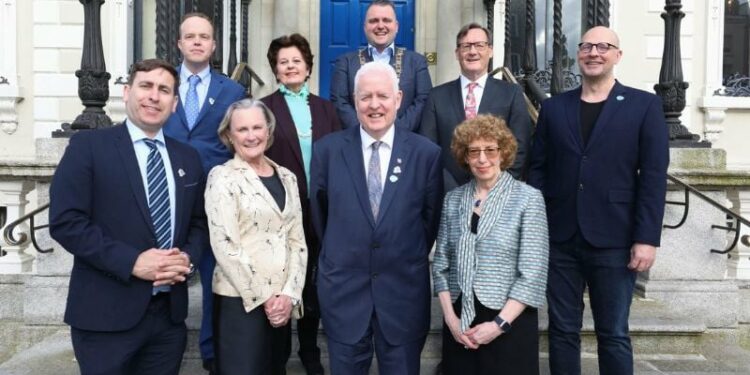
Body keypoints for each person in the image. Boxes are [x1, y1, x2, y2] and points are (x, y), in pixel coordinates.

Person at [49, 59, 208, 375]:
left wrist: (186, 260)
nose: (154, 96)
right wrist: (132, 262)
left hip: (168, 319)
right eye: (145, 86)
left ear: (174, 103)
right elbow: (67, 222)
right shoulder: (88, 146)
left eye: (164, 90)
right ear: (126, 92)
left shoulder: (187, 157)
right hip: (105, 317)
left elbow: (199, 222)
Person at [527, 26, 669, 375]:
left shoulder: (644, 105)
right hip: (560, 239)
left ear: (617, 55)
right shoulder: (554, 108)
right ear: (578, 54)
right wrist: (537, 227)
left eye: (603, 46)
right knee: (561, 331)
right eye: (587, 46)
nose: (594, 53)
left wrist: (647, 239)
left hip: (616, 240)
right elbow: (537, 171)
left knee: (614, 333)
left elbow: (652, 178)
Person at [310, 61, 442, 374]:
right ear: (354, 101)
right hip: (344, 295)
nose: (374, 105)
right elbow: (320, 216)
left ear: (398, 98)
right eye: (365, 97)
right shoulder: (326, 152)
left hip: (402, 297)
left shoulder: (426, 154)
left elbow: (429, 222)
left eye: (382, 96)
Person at [162, 12, 246, 373]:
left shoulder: (232, 91)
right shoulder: (162, 86)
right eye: (190, 36)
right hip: (167, 196)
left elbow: (239, 142)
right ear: (179, 43)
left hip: (215, 198)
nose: (197, 42)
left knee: (215, 274)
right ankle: (165, 346)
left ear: (213, 45)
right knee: (168, 270)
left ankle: (212, 354)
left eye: (204, 37)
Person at [432, 115, 548, 375]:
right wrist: (451, 321)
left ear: (503, 152)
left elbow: (532, 274)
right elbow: (440, 266)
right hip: (461, 323)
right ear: (465, 156)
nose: (482, 159)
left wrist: (497, 325)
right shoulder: (453, 200)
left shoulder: (528, 199)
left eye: (490, 150)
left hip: (509, 324)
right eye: (474, 151)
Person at [205, 98, 307, 375]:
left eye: (257, 127)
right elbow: (225, 244)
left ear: (268, 131)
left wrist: (288, 295)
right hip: (240, 304)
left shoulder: (287, 177)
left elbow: (297, 242)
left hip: (281, 306)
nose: (251, 136)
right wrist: (266, 299)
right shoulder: (222, 177)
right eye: (242, 129)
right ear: (229, 135)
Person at [261, 33, 341, 375]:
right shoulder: (264, 108)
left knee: (312, 285)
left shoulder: (327, 109)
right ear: (276, 70)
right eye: (283, 62)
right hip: (280, 212)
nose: (290, 66)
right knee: (281, 281)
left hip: (322, 211)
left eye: (296, 61)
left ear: (308, 66)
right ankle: (277, 354)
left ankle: (309, 349)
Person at [419, 22, 532, 190]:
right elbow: (428, 149)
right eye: (466, 46)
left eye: (480, 45)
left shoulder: (511, 93)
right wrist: (450, 189)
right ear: (457, 53)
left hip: (497, 195)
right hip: (447, 195)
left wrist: (496, 187)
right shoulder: (436, 96)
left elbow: (520, 146)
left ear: (490, 50)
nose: (472, 51)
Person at [329, 0, 432, 131]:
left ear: (396, 26)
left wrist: (394, 134)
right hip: (358, 145)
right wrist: (365, 132)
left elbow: (423, 100)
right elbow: (339, 102)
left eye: (386, 20)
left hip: (405, 144)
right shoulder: (345, 63)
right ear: (365, 27)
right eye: (374, 21)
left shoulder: (417, 62)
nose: (380, 26)